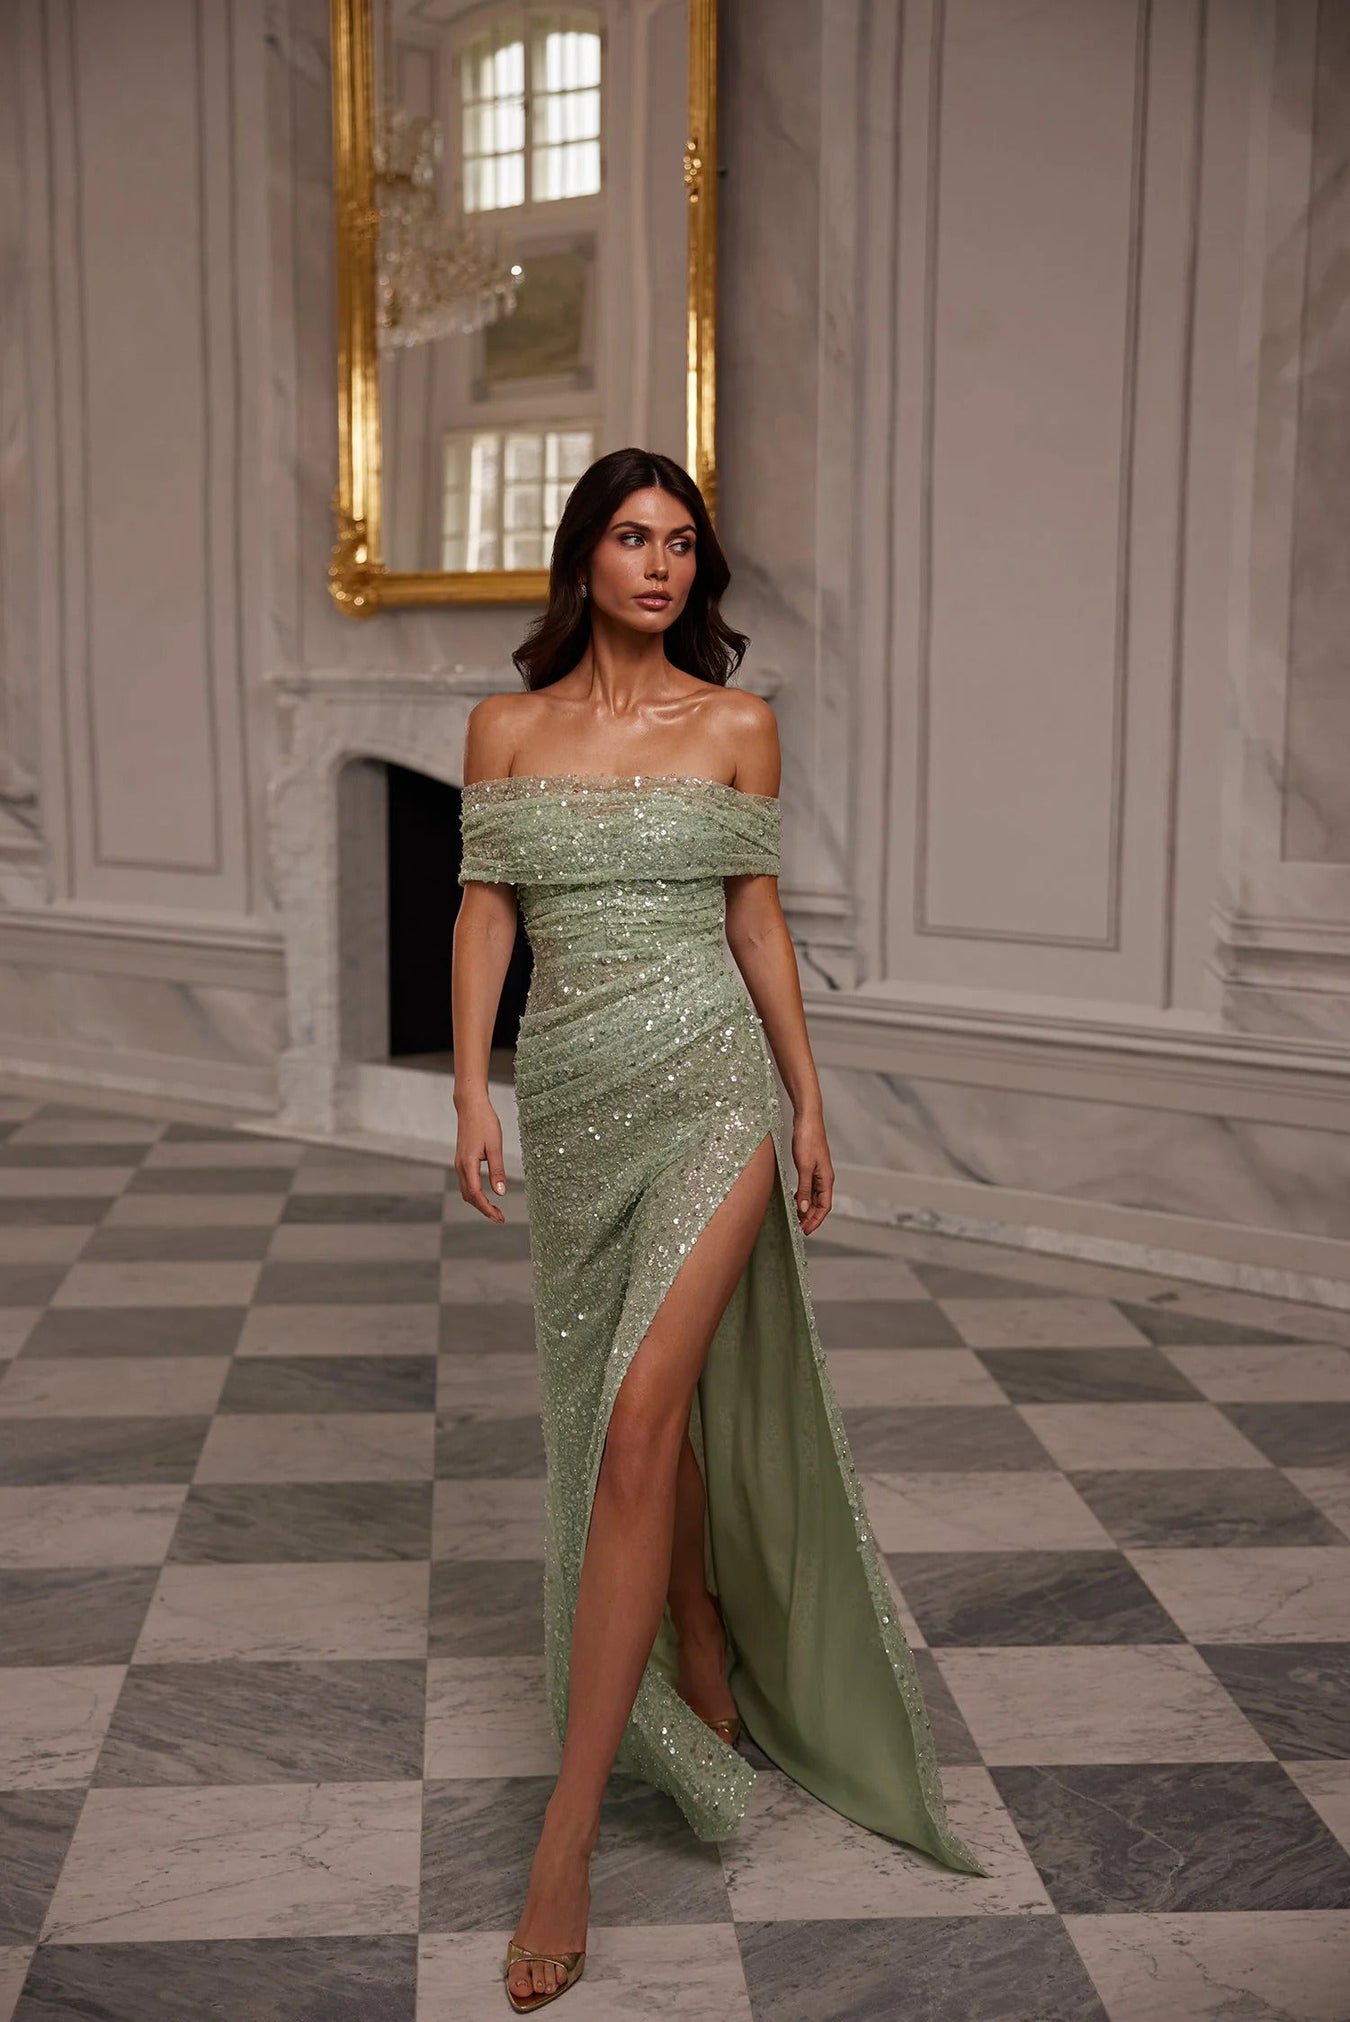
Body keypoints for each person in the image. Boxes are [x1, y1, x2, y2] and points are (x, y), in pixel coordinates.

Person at [451, 447, 983, 2013]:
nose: (660, 565)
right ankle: (692, 1609)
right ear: (584, 556)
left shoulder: (738, 725)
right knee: (627, 1407)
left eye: (682, 542)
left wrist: (808, 1106)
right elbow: (487, 904)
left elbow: (758, 923)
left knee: (633, 1419)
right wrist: (469, 1097)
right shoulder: (504, 727)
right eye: (631, 537)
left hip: (710, 1095)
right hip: (569, 1094)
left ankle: (566, 1836)